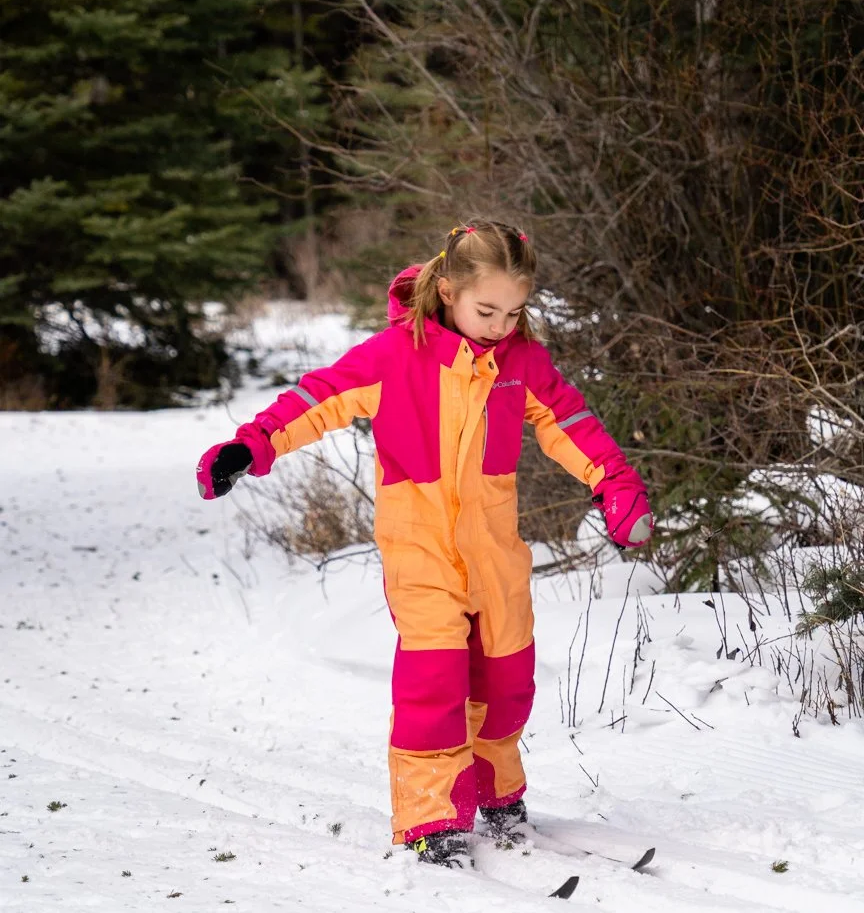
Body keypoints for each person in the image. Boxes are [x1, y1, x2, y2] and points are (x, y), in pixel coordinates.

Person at [196, 219, 653, 868]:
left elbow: (568, 421)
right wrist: (253, 443)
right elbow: (318, 398)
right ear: (446, 290)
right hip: (420, 545)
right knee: (434, 679)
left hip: (494, 549)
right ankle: (430, 815)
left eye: (514, 311)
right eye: (486, 309)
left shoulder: (519, 360)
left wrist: (614, 481)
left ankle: (496, 794)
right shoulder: (393, 355)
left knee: (506, 679)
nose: (500, 324)